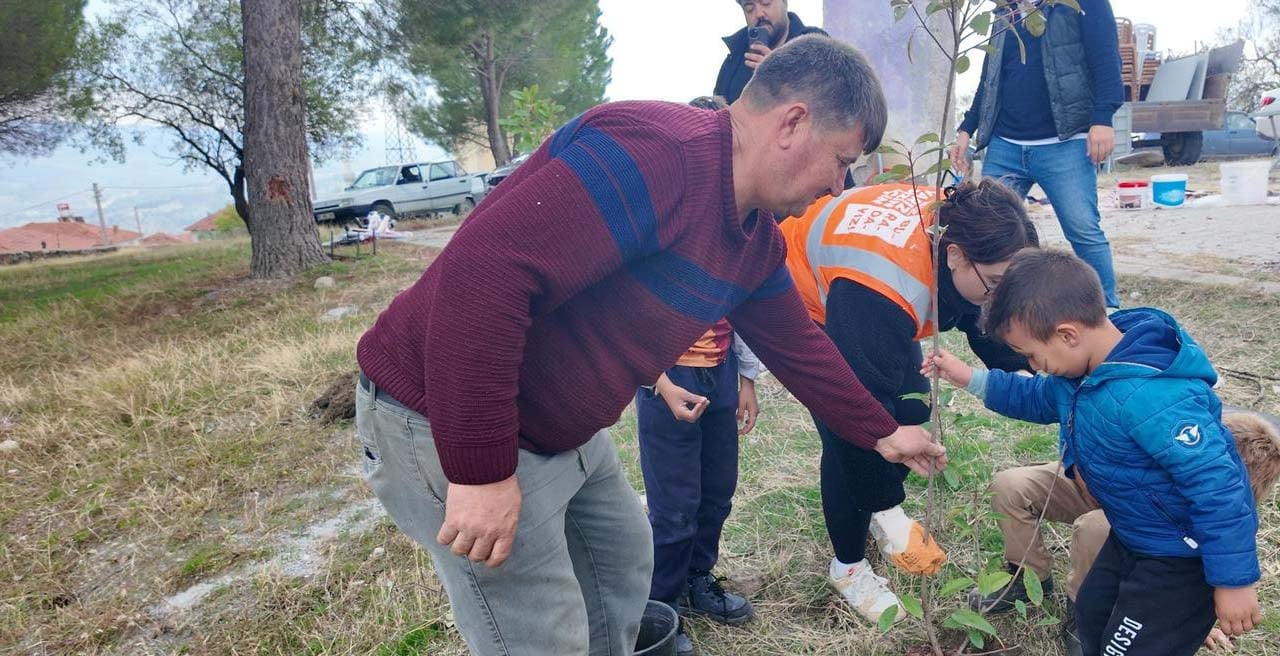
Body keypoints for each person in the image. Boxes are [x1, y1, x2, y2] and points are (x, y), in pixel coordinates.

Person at [354, 34, 946, 656]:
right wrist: (480, 472)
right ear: (793, 123)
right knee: (537, 631)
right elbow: (484, 273)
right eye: (840, 159)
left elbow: (798, 345)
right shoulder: (657, 153)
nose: (838, 184)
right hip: (445, 413)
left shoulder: (754, 240)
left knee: (622, 566)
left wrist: (882, 431)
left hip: (557, 430)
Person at [925, 250, 1262, 656]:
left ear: (1068, 334)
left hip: (1179, 559)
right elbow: (1036, 396)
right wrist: (970, 378)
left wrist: (1234, 581)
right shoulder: (1082, 370)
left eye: (1032, 354)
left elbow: (1219, 485)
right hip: (1133, 537)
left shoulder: (1154, 397)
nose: (1034, 365)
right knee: (1092, 614)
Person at [778, 178, 1038, 623]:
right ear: (954, 255)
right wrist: (886, 504)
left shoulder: (966, 228)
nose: (999, 297)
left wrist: (1037, 365)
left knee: (911, 408)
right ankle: (848, 566)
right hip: (805, 297)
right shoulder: (879, 288)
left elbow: (984, 317)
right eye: (994, 283)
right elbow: (855, 418)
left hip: (868, 287)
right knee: (858, 433)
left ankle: (875, 503)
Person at [973, 406, 1280, 655]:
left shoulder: (1224, 515)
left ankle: (1082, 616)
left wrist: (1186, 624)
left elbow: (1201, 572)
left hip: (1149, 521)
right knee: (1011, 486)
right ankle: (1027, 578)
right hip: (1112, 485)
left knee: (1095, 529)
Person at [634, 94, 763, 656]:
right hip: (667, 379)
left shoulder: (739, 235)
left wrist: (748, 382)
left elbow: (752, 311)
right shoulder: (659, 229)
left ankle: (697, 579)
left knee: (717, 491)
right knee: (674, 504)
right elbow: (628, 316)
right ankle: (660, 608)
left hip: (721, 373)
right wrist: (660, 383)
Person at [948, 0, 1124, 309]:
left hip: (1064, 144)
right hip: (1006, 145)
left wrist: (1102, 118)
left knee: (1083, 232)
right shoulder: (1003, 12)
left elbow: (1106, 60)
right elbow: (989, 78)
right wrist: (967, 128)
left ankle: (1108, 313)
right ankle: (1012, 309)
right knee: (992, 231)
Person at [714, 0, 826, 104]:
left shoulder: (815, 45)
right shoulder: (735, 59)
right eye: (749, 8)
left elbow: (830, 102)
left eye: (766, 3)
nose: (759, 13)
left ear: (784, 2)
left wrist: (777, 75)